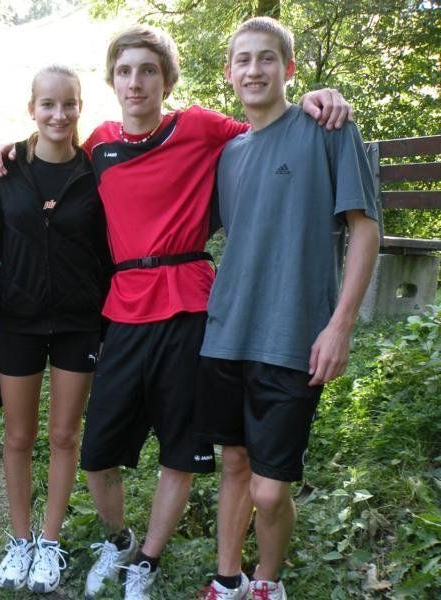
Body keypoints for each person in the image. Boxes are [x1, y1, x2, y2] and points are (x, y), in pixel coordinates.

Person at [0, 23, 351, 600]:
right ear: (112, 82)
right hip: (124, 307)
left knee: (180, 449)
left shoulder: (201, 126)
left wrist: (314, 99)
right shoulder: (99, 144)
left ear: (167, 80)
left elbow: (269, 127)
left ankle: (149, 560)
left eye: (148, 71)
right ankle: (118, 539)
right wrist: (9, 149)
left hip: (191, 305)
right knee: (97, 452)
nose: (136, 82)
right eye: (125, 71)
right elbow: (53, 152)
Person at [198, 17, 379, 600]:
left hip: (293, 336)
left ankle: (268, 583)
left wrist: (340, 326)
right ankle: (227, 580)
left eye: (267, 58)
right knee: (234, 464)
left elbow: (365, 228)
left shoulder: (327, 129)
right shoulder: (228, 155)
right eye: (243, 60)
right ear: (229, 73)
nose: (254, 70)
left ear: (289, 68)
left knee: (270, 488)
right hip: (226, 333)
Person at [0, 65, 111, 594]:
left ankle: (50, 541)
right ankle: (20, 540)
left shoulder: (96, 172)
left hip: (78, 323)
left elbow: (108, 249)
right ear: (32, 108)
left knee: (64, 435)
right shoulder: (6, 169)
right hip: (18, 319)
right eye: (48, 104)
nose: (58, 115)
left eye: (68, 104)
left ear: (80, 107)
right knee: (18, 436)